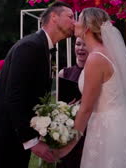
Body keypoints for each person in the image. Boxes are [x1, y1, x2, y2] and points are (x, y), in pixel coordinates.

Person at [58, 7, 126, 167]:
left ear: (87, 28)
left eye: (78, 19)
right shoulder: (104, 53)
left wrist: (67, 146)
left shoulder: (95, 58)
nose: (74, 23)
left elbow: (86, 109)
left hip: (107, 130)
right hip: (113, 122)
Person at [0, 1, 75, 168]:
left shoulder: (43, 47)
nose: (74, 22)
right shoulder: (31, 46)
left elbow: (32, 95)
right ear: (54, 17)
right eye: (70, 17)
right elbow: (14, 96)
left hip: (15, 129)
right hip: (5, 130)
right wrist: (31, 141)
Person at [56, 37, 88, 168]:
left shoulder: (96, 74)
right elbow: (58, 107)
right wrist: (65, 108)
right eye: (78, 44)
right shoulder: (64, 73)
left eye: (85, 45)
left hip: (89, 131)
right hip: (68, 131)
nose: (80, 48)